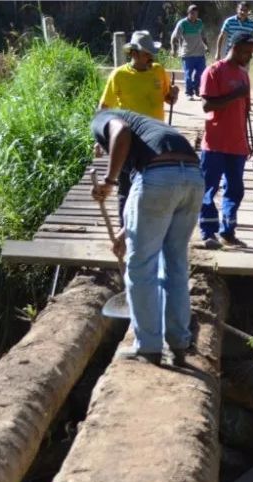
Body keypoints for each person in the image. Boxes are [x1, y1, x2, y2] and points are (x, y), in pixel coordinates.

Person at [91, 109, 204, 366]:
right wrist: (124, 231)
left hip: (158, 176)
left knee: (142, 266)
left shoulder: (102, 119)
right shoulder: (150, 131)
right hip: (193, 179)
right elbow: (143, 194)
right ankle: (178, 343)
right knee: (175, 263)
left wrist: (108, 182)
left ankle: (148, 348)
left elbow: (120, 132)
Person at [98, 30, 180, 227]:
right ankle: (124, 231)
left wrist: (173, 95)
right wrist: (99, 139)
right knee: (126, 187)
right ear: (134, 53)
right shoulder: (119, 75)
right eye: (146, 53)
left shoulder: (158, 71)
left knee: (153, 186)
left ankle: (148, 230)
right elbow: (104, 107)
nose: (150, 57)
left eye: (151, 53)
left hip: (156, 140)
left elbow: (168, 98)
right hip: (129, 141)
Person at [198, 33, 253, 249]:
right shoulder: (213, 71)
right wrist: (235, 94)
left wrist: (246, 141)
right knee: (208, 188)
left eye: (251, 53)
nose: (248, 57)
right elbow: (207, 106)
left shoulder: (244, 75)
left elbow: (244, 112)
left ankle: (228, 231)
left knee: (235, 189)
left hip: (237, 145)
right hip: (214, 143)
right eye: (246, 51)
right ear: (233, 47)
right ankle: (208, 233)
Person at [170, 4, 209, 101]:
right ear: (188, 13)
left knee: (201, 73)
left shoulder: (200, 23)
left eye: (195, 14)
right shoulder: (182, 23)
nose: (193, 15)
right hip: (187, 54)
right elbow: (174, 37)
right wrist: (173, 49)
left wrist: (207, 46)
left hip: (200, 53)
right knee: (188, 75)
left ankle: (197, 90)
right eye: (192, 13)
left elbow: (203, 36)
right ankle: (189, 93)